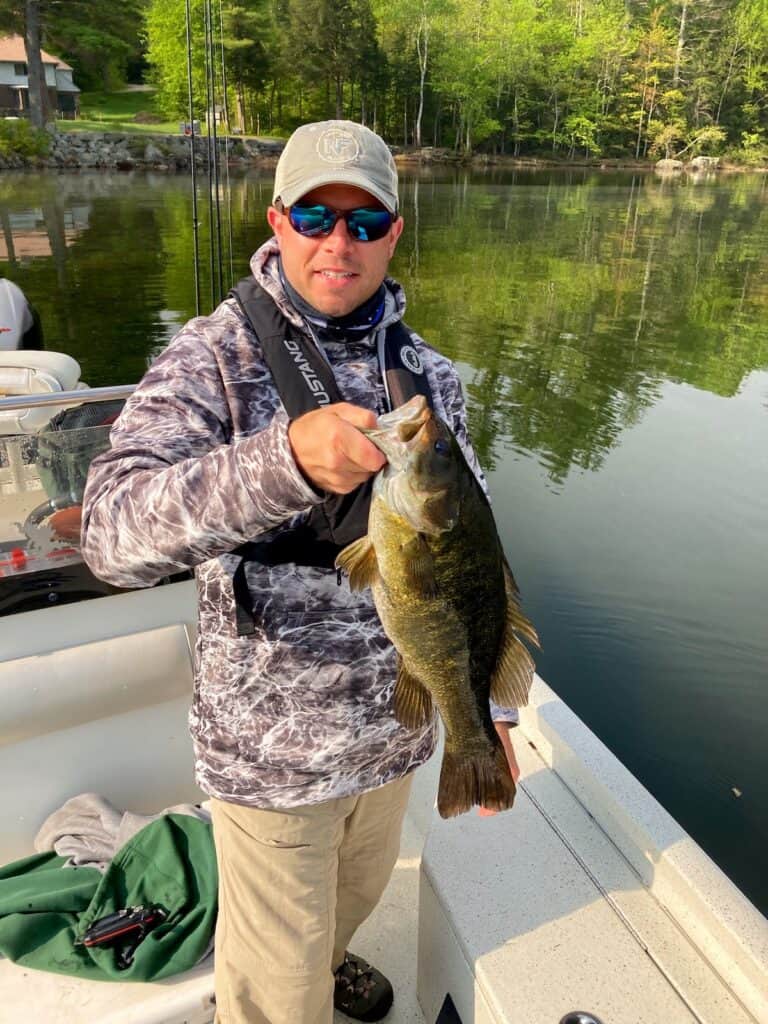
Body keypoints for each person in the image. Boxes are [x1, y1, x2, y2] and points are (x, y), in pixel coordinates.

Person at [80, 120, 520, 1024]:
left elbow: (479, 555)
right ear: (278, 219)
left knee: (350, 908)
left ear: (395, 233)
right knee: (277, 999)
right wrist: (282, 463)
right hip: (273, 762)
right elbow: (110, 535)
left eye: (364, 223)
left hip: (399, 738)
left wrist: (493, 709)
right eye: (317, 215)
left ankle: (329, 960)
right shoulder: (212, 359)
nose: (338, 242)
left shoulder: (431, 376)